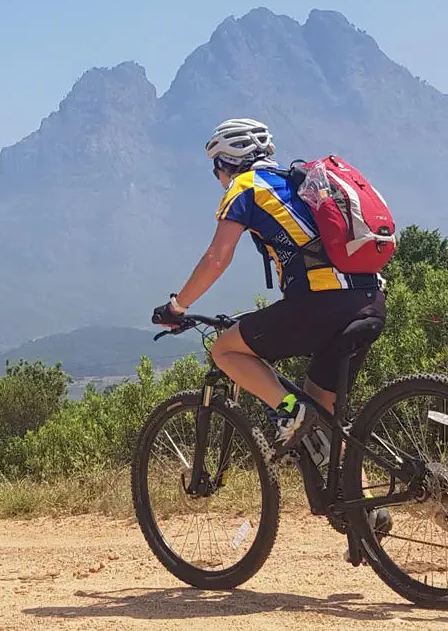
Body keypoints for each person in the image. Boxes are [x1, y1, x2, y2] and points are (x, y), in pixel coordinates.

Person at [152, 117, 388, 456]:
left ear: (225, 163)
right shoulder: (301, 183)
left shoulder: (245, 187)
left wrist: (177, 306)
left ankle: (290, 409)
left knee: (224, 351)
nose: (217, 178)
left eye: (215, 170)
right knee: (327, 424)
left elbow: (217, 259)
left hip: (321, 305)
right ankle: (361, 505)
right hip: (369, 300)